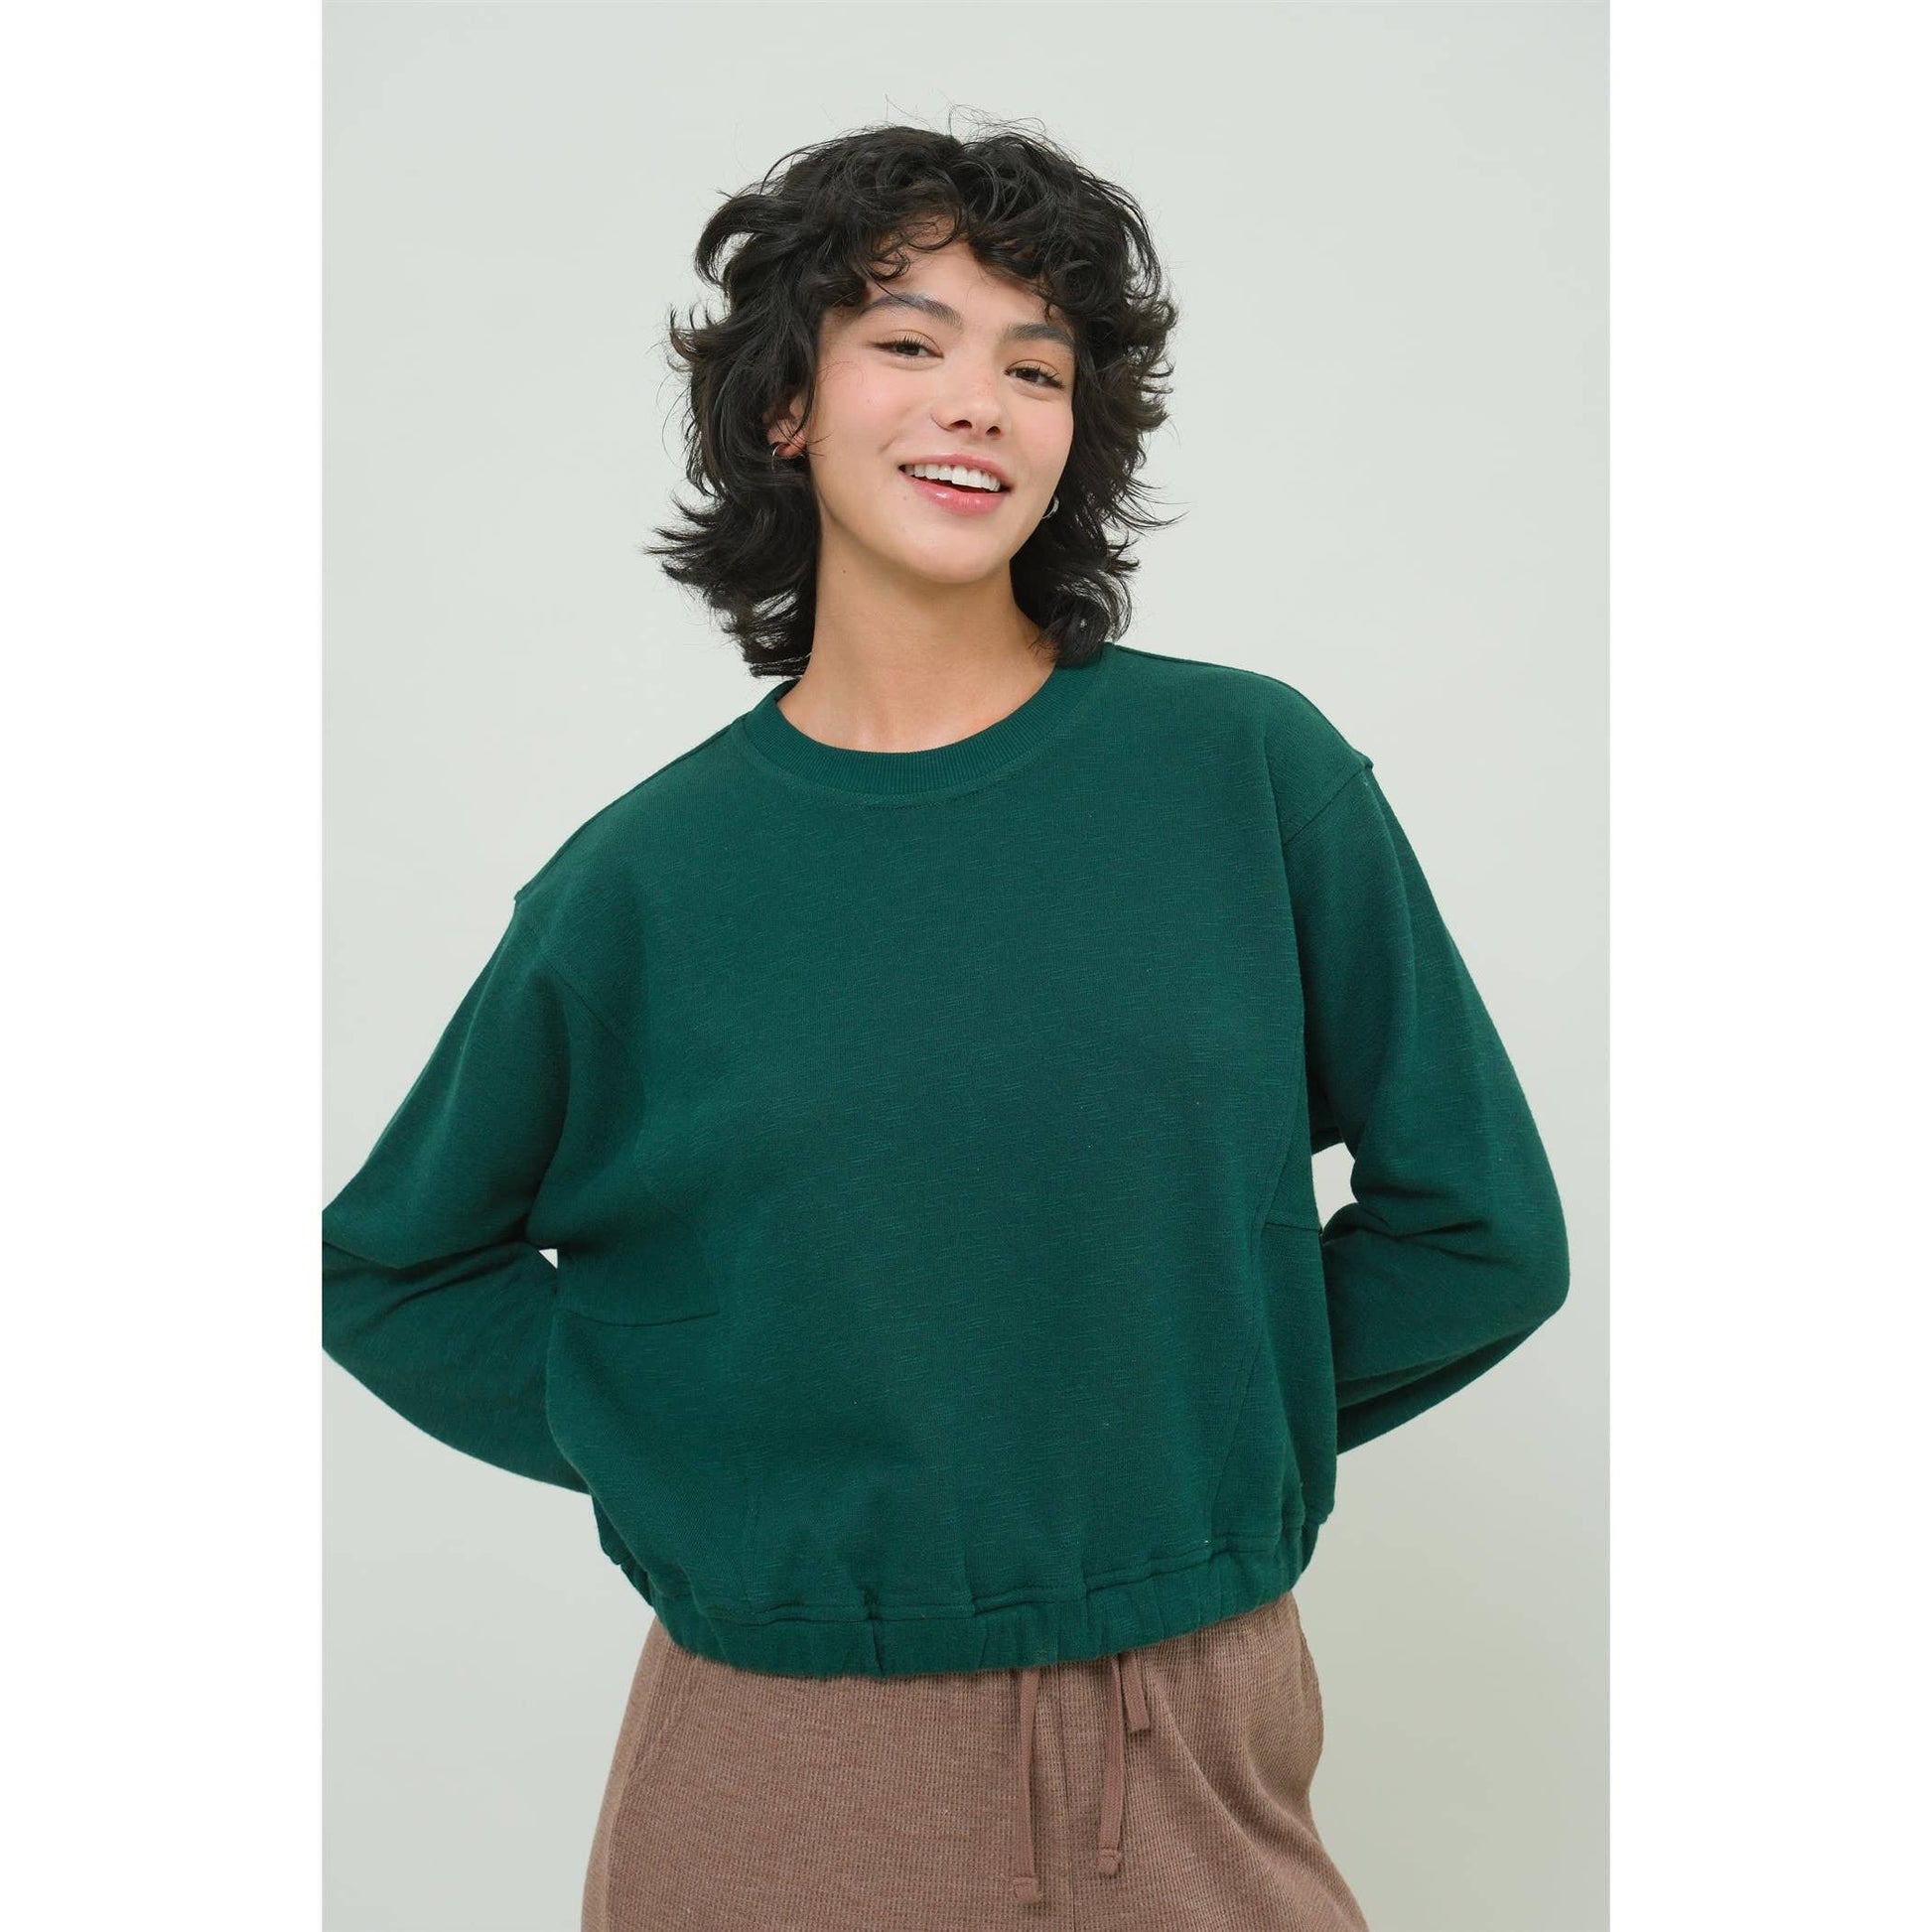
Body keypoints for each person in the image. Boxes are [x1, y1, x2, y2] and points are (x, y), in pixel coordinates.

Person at [322, 116, 1571, 1931]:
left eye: (1035, 367)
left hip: (1178, 1729)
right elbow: (391, 1267)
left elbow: (1479, 1232)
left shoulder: (1242, 775)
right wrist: (709, 1456)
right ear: (784, 408)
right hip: (777, 1753)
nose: (976, 399)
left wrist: (1180, 1437)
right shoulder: (645, 882)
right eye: (908, 341)